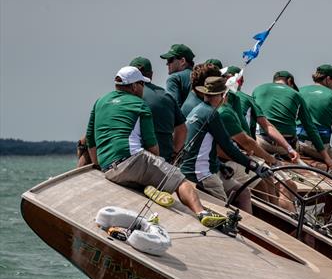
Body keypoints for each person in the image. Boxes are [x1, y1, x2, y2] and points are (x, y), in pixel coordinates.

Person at [85, 66, 226, 228]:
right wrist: (162, 164)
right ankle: (202, 213)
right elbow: (152, 145)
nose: (143, 88)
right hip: (131, 161)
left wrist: (98, 164)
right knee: (179, 179)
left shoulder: (99, 101)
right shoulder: (139, 104)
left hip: (108, 169)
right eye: (142, 85)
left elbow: (91, 139)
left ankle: (149, 186)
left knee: (144, 174)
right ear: (134, 86)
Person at [181, 76, 266, 213]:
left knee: (243, 193)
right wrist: (254, 166)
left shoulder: (197, 110)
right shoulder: (211, 114)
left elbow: (204, 146)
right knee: (224, 210)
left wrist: (221, 165)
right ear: (222, 95)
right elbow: (228, 146)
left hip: (208, 168)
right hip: (202, 175)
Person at [252, 70, 332, 170]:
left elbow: (251, 118)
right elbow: (310, 128)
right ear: (290, 81)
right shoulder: (296, 94)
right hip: (284, 148)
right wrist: (326, 157)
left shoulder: (257, 89)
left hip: (261, 142)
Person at [222, 65, 300, 163]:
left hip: (222, 150)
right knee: (276, 175)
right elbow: (266, 126)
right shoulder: (246, 99)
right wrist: (289, 149)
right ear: (240, 81)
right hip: (243, 149)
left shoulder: (211, 100)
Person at [129, 57, 186, 164]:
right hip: (165, 160)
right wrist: (174, 152)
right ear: (151, 74)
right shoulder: (166, 96)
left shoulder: (128, 97)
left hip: (137, 160)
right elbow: (182, 129)